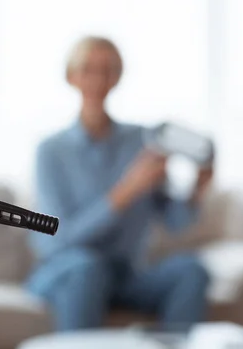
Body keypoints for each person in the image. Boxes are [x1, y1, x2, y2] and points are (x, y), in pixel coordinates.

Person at [25, 36, 213, 332]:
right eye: (88, 69)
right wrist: (126, 191)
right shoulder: (51, 150)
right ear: (71, 76)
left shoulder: (142, 142)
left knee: (191, 270)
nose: (98, 79)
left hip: (125, 276)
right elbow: (59, 239)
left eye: (108, 70)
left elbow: (176, 223)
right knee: (88, 267)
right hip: (68, 272)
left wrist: (198, 187)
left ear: (118, 77)